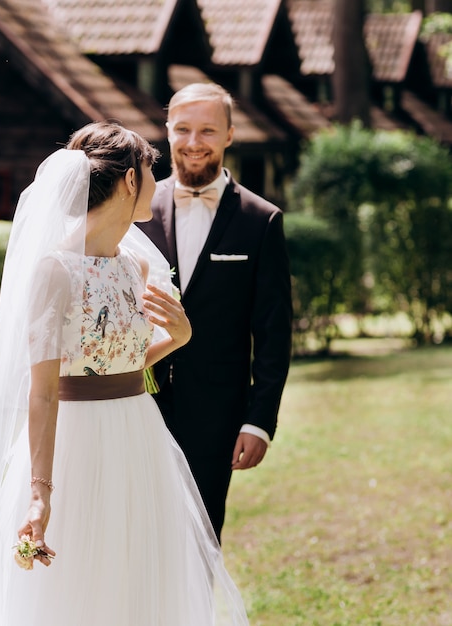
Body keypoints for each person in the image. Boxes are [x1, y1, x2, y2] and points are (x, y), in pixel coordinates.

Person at [0, 121, 249, 625]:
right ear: (131, 181)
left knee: (137, 574)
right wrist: (39, 491)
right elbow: (45, 390)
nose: (156, 183)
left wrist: (177, 340)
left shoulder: (131, 267)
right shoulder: (55, 270)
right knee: (78, 585)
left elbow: (114, 360)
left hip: (138, 433)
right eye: (150, 171)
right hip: (77, 442)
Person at [138, 83, 293, 541]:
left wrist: (259, 420)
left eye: (207, 130)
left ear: (229, 134)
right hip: (135, 406)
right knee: (137, 537)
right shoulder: (135, 213)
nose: (193, 142)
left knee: (200, 541)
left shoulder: (260, 220)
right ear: (167, 132)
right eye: (182, 129)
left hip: (217, 415)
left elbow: (273, 332)